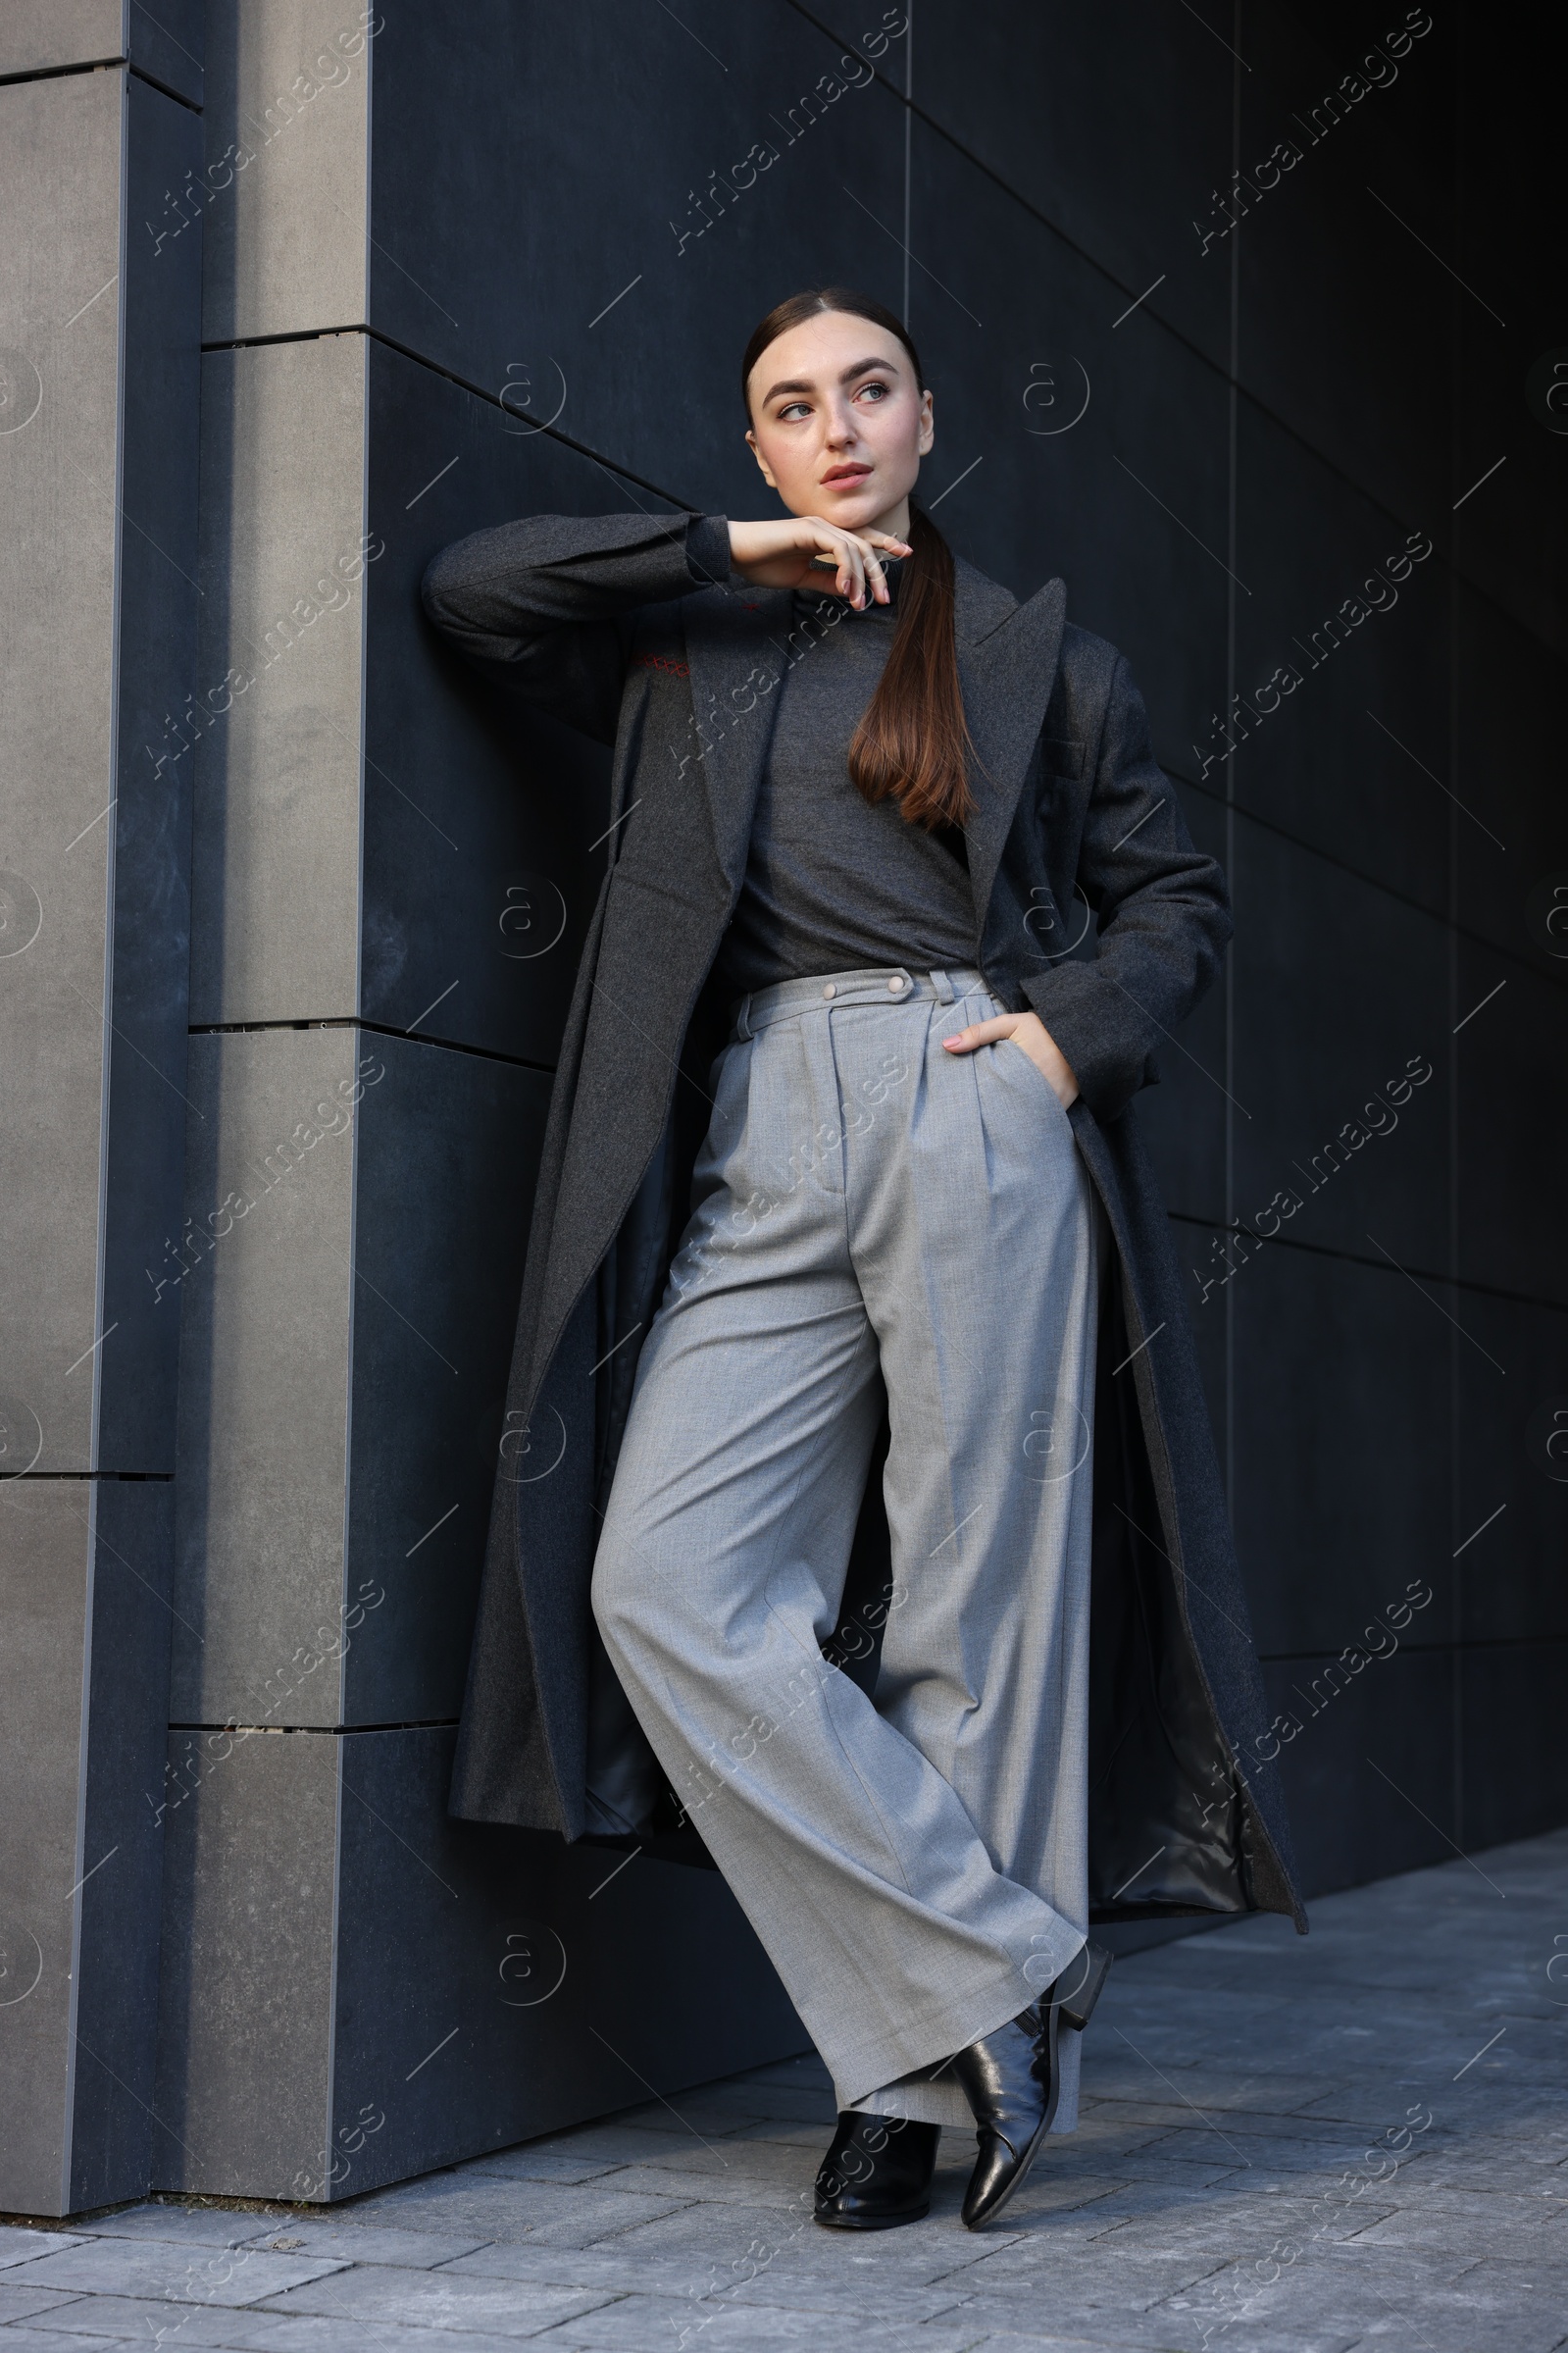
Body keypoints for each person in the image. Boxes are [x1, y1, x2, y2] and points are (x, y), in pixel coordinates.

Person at [421, 286, 1302, 2234]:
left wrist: (1069, 1033)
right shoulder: (685, 637)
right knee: (667, 1588)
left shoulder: (1030, 656)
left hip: (966, 1086)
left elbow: (1172, 893)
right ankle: (1001, 1963)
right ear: (757, 450)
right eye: (789, 407)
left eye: (868, 391)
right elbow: (476, 588)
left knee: (966, 1618)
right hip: (759, 1121)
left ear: (924, 417)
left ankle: (906, 2089)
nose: (833, 427)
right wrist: (717, 553)